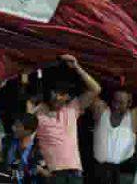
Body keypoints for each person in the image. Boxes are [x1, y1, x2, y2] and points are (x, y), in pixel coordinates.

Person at [35, 54, 102, 183]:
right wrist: (38, 168)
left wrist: (77, 67)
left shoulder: (72, 109)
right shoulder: (38, 113)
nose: (57, 97)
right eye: (55, 92)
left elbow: (96, 89)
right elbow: (27, 139)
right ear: (49, 92)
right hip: (53, 174)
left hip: (75, 174)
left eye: (62, 94)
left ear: (67, 97)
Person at [90, 91, 137, 183]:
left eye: (121, 103)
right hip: (98, 170)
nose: (116, 106)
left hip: (123, 171)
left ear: (129, 103)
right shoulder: (102, 111)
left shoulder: (133, 117)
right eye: (115, 101)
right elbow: (93, 91)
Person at [3, 113, 47, 183]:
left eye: (17, 126)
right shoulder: (7, 143)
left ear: (28, 131)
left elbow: (46, 173)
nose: (13, 128)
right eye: (14, 125)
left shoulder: (38, 149)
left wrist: (38, 170)